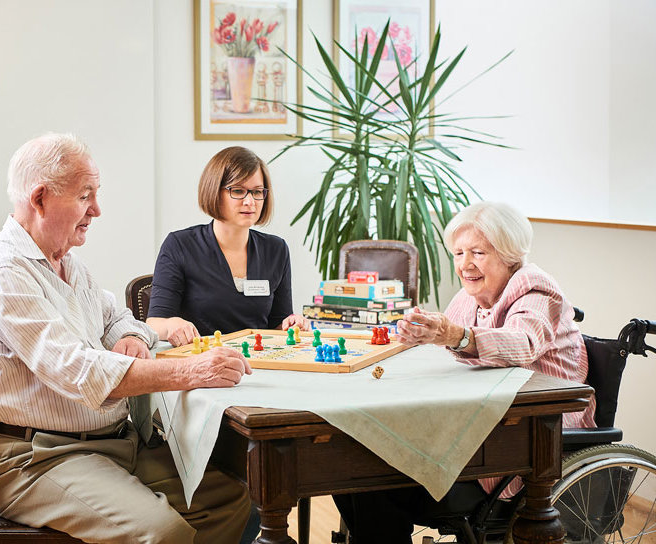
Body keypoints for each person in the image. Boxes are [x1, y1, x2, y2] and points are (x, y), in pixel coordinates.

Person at [0, 133, 252, 544]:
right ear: (40, 199)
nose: (96, 209)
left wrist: (130, 338)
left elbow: (119, 317)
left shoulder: (65, 261)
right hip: (36, 460)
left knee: (233, 496)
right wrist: (190, 371)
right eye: (84, 196)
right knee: (162, 532)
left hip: (108, 444)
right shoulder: (1, 273)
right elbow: (77, 370)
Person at [333, 201, 596, 544]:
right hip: (485, 422)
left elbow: (523, 343)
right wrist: (420, 334)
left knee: (375, 483)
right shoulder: (474, 292)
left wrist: (453, 335)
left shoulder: (536, 288)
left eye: (477, 252)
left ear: (508, 253)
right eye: (458, 253)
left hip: (530, 436)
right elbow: (444, 344)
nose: (464, 264)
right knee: (349, 470)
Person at [147, 146, 308, 347]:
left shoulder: (276, 250)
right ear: (214, 191)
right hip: (201, 363)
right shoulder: (180, 245)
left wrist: (291, 325)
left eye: (257, 192)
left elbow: (277, 326)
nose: (250, 201)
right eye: (238, 191)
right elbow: (154, 323)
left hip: (259, 362)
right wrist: (172, 324)